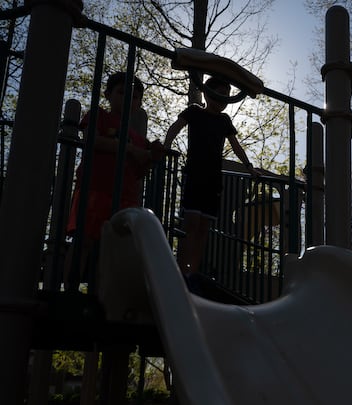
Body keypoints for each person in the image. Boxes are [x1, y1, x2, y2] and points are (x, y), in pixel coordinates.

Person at [65, 72, 163, 286]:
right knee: (84, 241)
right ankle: (69, 292)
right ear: (108, 94)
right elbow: (92, 139)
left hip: (125, 197)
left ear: (139, 103)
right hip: (95, 188)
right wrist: (129, 149)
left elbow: (138, 173)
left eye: (135, 96)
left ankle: (103, 299)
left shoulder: (139, 138)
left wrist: (151, 158)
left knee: (112, 251)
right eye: (122, 92)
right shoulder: (99, 115)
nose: (129, 98)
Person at [163, 76, 260, 287]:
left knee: (203, 228)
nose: (222, 100)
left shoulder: (224, 120)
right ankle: (180, 270)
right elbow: (176, 126)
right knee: (190, 224)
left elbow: (236, 145)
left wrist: (248, 166)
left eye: (226, 96)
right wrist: (167, 145)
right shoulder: (194, 111)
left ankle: (192, 273)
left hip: (213, 179)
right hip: (195, 174)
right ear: (208, 93)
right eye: (220, 94)